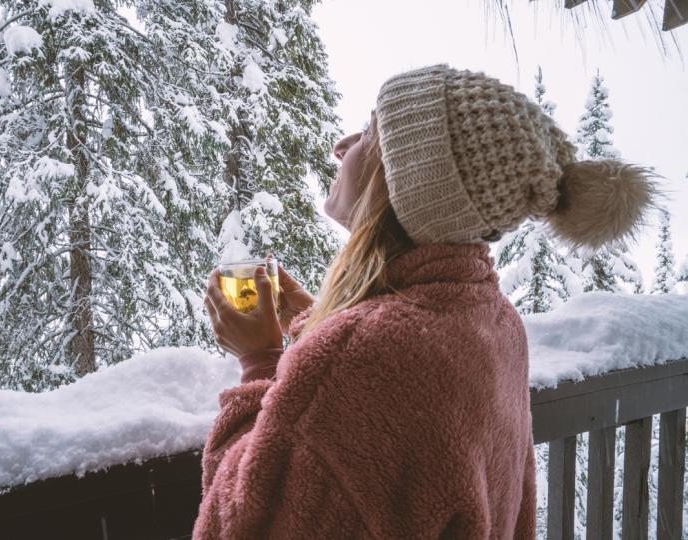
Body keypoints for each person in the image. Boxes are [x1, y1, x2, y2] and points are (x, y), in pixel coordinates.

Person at [194, 64, 657, 539]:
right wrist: (322, 326)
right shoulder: (495, 321)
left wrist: (261, 362)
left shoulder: (361, 357)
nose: (342, 144)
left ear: (409, 181)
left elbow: (241, 523)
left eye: (371, 131)